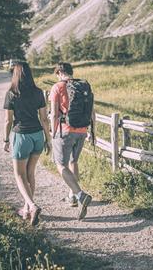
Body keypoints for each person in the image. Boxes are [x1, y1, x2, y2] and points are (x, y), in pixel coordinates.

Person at [3, 61, 51, 226]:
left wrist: (5, 139)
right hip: (37, 135)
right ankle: (26, 209)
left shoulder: (11, 93)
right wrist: (48, 140)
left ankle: (31, 205)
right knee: (30, 173)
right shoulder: (38, 93)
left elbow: (8, 121)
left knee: (19, 175)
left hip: (21, 135)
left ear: (15, 75)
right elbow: (44, 118)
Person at [49, 62, 95, 220]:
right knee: (73, 162)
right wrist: (90, 131)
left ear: (60, 72)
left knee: (60, 165)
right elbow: (91, 111)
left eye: (57, 74)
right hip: (82, 130)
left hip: (65, 131)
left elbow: (54, 114)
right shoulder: (83, 86)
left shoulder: (57, 87)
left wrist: (52, 132)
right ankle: (73, 197)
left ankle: (81, 195)